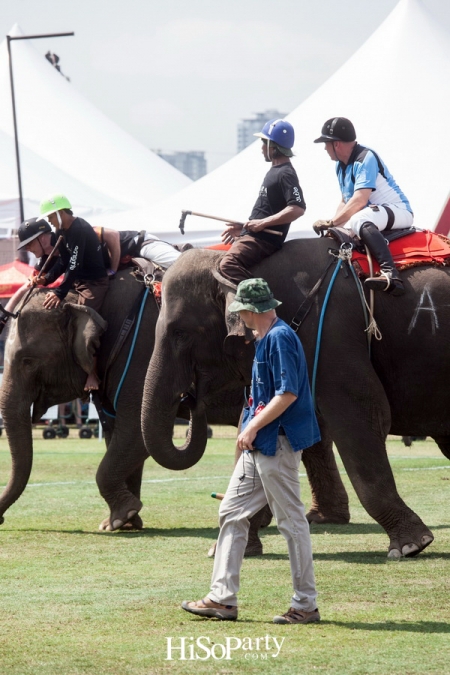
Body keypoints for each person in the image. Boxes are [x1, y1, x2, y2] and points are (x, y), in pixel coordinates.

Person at [182, 278, 321, 624]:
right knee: (231, 512)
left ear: (248, 310)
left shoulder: (279, 338)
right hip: (261, 445)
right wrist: (251, 425)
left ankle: (305, 605)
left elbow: (288, 394)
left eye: (239, 311)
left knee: (291, 523)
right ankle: (221, 599)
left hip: (278, 443)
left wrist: (253, 426)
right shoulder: (265, 338)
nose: (238, 317)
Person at [215, 119, 306, 341]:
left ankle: (261, 311)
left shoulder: (285, 173)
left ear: (274, 147)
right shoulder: (274, 170)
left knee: (227, 264)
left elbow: (297, 208)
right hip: (255, 235)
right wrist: (244, 227)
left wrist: (262, 225)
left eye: (264, 142)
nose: (261, 148)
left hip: (264, 240)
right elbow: (264, 211)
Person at [313, 117, 414, 296]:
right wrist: (334, 227)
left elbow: (359, 200)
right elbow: (346, 201)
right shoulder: (340, 165)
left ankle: (390, 273)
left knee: (359, 218)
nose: (324, 148)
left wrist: (331, 221)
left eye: (326, 143)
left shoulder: (365, 157)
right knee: (343, 228)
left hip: (399, 210)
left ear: (336, 144)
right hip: (375, 213)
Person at [38, 194, 109, 390]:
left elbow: (74, 264)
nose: (50, 222)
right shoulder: (62, 231)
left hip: (94, 284)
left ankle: (92, 374)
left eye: (51, 217)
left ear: (61, 213)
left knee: (85, 329)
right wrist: (47, 278)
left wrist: (59, 293)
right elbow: (63, 262)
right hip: (79, 282)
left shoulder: (79, 229)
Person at [93, 228, 181, 274]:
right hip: (132, 257)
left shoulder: (87, 230)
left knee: (181, 265)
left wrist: (113, 270)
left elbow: (113, 234)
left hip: (142, 244)